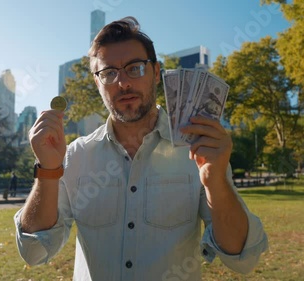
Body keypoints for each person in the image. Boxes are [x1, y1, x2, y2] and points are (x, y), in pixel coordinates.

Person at [14, 17, 268, 280]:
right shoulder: (75, 156)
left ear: (156, 73)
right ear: (97, 83)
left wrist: (216, 183)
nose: (122, 83)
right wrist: (47, 169)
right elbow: (34, 251)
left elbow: (242, 258)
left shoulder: (198, 150)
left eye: (135, 68)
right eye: (109, 73)